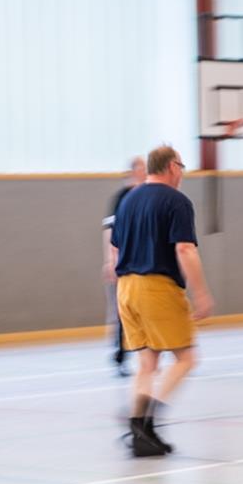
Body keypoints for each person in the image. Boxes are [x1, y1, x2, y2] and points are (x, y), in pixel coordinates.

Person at [111, 145, 214, 457]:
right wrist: (201, 294)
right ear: (171, 166)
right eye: (181, 166)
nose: (182, 173)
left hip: (125, 289)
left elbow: (115, 249)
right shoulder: (176, 201)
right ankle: (146, 419)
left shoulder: (129, 199)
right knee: (186, 358)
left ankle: (141, 429)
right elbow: (185, 249)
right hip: (156, 286)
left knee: (148, 362)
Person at [102, 156, 146, 377]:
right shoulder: (122, 198)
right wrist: (110, 260)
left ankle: (156, 351)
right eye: (141, 168)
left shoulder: (149, 194)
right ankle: (121, 356)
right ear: (133, 171)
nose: (145, 171)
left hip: (146, 260)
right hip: (125, 261)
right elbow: (110, 230)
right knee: (123, 310)